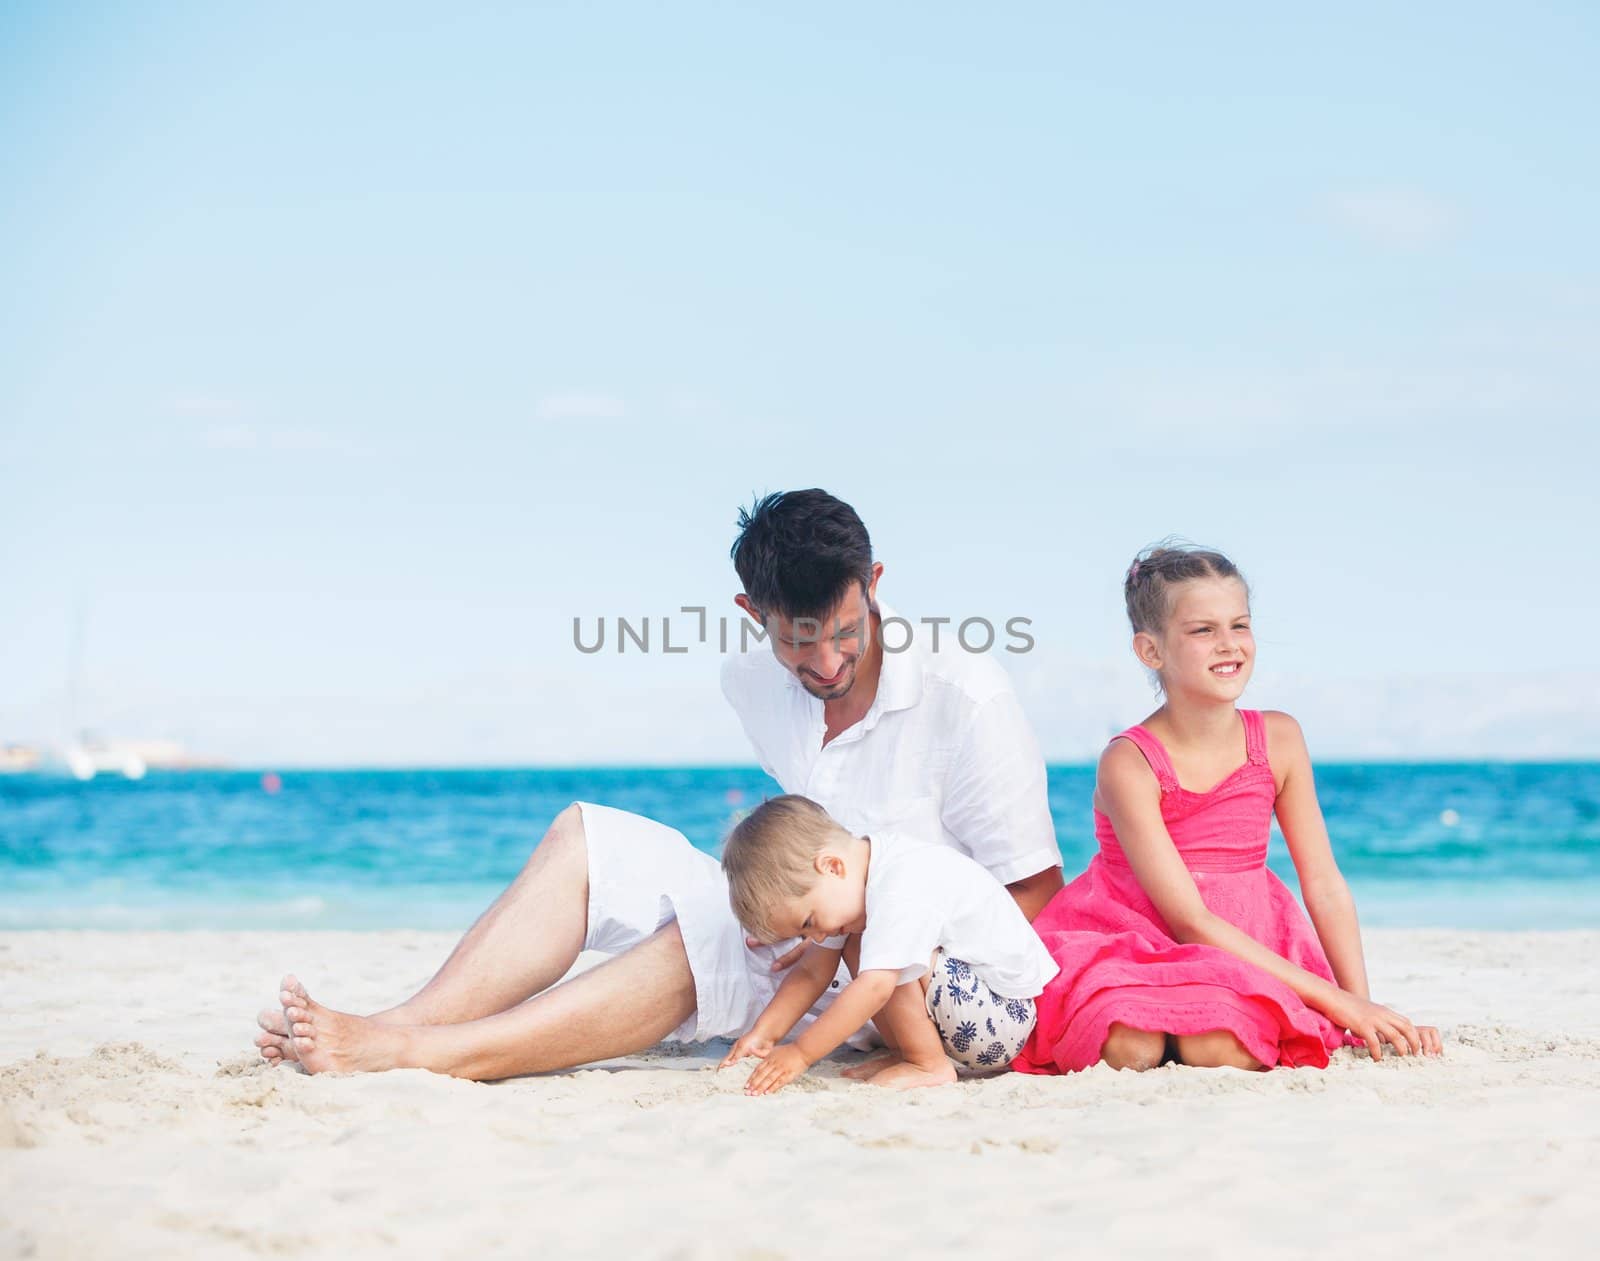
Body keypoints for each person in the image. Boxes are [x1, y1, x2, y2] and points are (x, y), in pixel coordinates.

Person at [255, 490, 1062, 1078]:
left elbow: (1036, 889)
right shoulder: (749, 684)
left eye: (845, 633)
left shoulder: (965, 694)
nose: (824, 664)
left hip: (903, 969)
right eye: (797, 641)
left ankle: (421, 1054)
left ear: (876, 581)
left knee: (706, 930)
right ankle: (388, 1025)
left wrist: (876, 961)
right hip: (809, 919)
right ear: (753, 613)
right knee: (586, 836)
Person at [1015, 543, 1444, 1076]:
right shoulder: (1129, 762)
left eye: (1239, 626)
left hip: (1245, 938)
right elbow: (1190, 920)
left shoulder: (1280, 739)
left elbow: (1324, 883)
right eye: (1202, 631)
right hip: (1133, 935)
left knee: (1217, 1049)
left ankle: (1189, 1026)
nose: (1229, 645)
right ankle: (1156, 1022)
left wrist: (1359, 1005)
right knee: (1129, 1049)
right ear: (1151, 651)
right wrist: (1342, 1004)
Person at [716, 795, 1057, 1093]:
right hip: (970, 1010)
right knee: (861, 943)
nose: (816, 937)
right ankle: (908, 1052)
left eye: (809, 923)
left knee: (882, 960)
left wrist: (801, 1053)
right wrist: (765, 1034)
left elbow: (877, 988)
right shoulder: (852, 885)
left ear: (831, 867)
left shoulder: (897, 884)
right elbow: (810, 973)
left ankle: (928, 1064)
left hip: (1002, 1020)